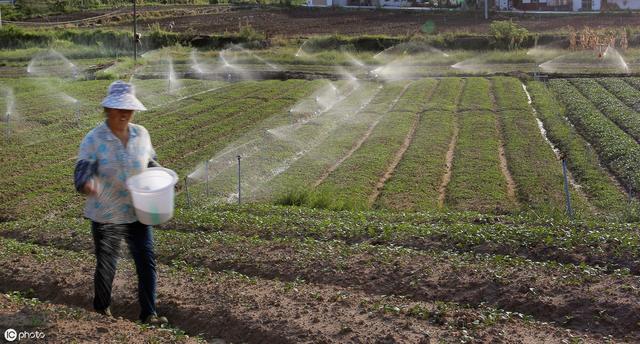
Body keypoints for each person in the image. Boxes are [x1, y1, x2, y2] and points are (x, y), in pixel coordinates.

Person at [74, 80, 167, 325]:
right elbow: (81, 173)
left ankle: (149, 314)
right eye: (119, 108)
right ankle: (102, 309)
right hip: (106, 213)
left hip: (138, 210)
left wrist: (164, 177)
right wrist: (89, 184)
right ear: (108, 109)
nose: (125, 113)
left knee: (146, 262)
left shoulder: (141, 134)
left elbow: (150, 163)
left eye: (129, 108)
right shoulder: (94, 139)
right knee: (107, 264)